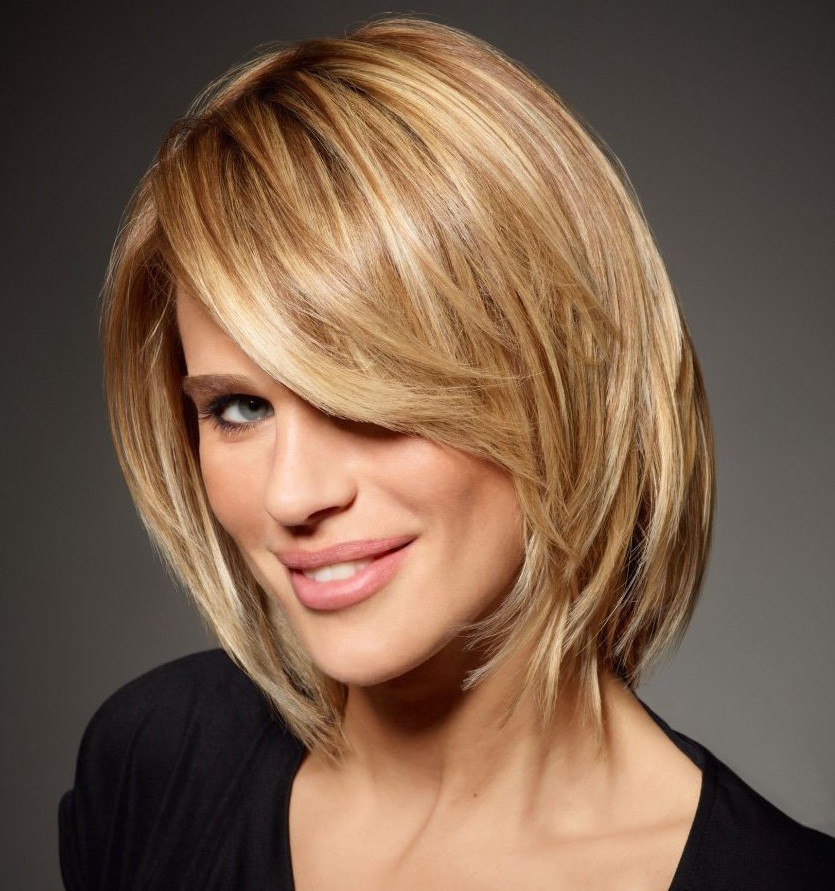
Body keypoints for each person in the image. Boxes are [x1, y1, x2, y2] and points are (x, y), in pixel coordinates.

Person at [59, 15, 834, 890]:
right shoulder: (157, 761)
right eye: (238, 408)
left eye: (366, 394)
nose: (291, 494)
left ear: (563, 389)